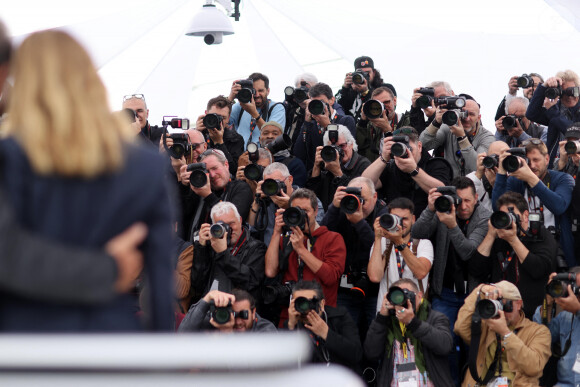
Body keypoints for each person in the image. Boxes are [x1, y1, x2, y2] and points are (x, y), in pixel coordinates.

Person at [0, 30, 174, 331]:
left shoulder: (9, 160)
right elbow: (161, 289)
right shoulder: (146, 166)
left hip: (23, 346)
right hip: (108, 343)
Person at [411, 176, 490, 385]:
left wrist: (452, 225)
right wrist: (430, 209)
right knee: (444, 345)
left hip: (473, 294)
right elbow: (417, 232)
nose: (462, 207)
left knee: (471, 345)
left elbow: (468, 252)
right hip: (445, 291)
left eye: (468, 201)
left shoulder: (484, 217)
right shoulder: (445, 208)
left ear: (476, 198)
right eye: (459, 200)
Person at [471, 191, 557, 318]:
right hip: (500, 312)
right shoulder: (500, 238)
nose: (507, 221)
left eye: (511, 215)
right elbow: (476, 270)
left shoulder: (541, 236)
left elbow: (538, 269)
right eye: (503, 216)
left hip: (533, 315)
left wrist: (513, 240)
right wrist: (490, 235)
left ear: (525, 215)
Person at [492, 139, 576, 267]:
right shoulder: (516, 181)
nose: (531, 166)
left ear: (547, 159)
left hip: (557, 247)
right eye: (527, 161)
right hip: (526, 245)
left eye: (536, 160)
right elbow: (498, 210)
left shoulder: (563, 179)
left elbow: (559, 206)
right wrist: (501, 173)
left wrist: (531, 178)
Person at [320, 177, 386, 332]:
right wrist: (334, 207)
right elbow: (322, 236)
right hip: (345, 287)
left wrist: (359, 223)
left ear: (375, 197)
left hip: (374, 289)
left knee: (375, 335)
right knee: (344, 333)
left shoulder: (382, 212)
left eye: (363, 199)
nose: (358, 204)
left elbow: (378, 247)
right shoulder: (343, 209)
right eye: (354, 198)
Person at [455, 281, 551, 387]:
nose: (502, 312)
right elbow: (460, 328)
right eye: (497, 304)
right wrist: (479, 291)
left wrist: (505, 333)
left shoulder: (538, 331)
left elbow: (534, 367)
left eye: (506, 305)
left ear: (519, 304)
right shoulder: (487, 325)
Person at [265, 188, 346, 311]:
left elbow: (330, 277)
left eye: (305, 211)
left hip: (321, 314)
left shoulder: (333, 238)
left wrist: (301, 250)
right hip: (290, 315)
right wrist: (276, 233)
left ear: (315, 211)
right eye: (297, 211)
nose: (301, 215)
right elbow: (270, 271)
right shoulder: (287, 239)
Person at [364, 279, 454, 386]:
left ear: (420, 296)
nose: (403, 300)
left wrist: (413, 323)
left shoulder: (435, 318)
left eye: (406, 294)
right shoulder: (386, 322)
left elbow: (444, 346)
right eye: (397, 297)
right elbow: (371, 353)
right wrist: (381, 317)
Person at [362, 126, 452, 216]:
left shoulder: (436, 164)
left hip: (426, 222)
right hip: (394, 223)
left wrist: (414, 171)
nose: (404, 153)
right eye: (399, 149)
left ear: (419, 146)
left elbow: (442, 191)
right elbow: (365, 184)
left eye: (409, 149)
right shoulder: (391, 166)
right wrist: (383, 158)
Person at [189, 202, 265, 303]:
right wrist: (201, 248)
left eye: (231, 223)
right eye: (222, 225)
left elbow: (250, 282)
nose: (228, 229)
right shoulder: (210, 245)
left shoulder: (256, 247)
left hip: (237, 311)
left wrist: (222, 254)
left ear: (240, 220)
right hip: (208, 308)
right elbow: (197, 284)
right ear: (213, 226)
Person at [368, 198, 433, 313]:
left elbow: (421, 272)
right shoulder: (382, 243)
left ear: (413, 219)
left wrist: (399, 242)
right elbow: (374, 277)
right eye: (396, 218)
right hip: (387, 311)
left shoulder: (423, 244)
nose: (400, 223)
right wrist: (377, 238)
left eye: (405, 219)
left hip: (415, 312)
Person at [286, 280, 362, 372]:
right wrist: (291, 327)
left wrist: (326, 334)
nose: (304, 307)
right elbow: (283, 362)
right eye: (300, 302)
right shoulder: (292, 324)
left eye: (309, 302)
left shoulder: (339, 317)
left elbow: (356, 354)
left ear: (321, 304)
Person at [178, 148, 253, 240]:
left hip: (226, 249)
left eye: (215, 168)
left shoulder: (240, 188)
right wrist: (184, 186)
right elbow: (180, 215)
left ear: (226, 165)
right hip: (196, 247)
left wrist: (208, 195)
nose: (212, 175)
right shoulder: (199, 189)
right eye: (208, 172)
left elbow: (233, 218)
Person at [248, 162, 324, 246]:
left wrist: (290, 207)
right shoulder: (266, 201)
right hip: (271, 252)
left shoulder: (308, 199)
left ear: (290, 180)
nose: (274, 188)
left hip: (298, 251)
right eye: (269, 185)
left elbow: (316, 229)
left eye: (277, 183)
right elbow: (251, 228)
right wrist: (257, 200)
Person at [420, 95, 495, 177]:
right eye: (463, 113)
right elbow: (423, 146)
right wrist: (435, 123)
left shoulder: (487, 137)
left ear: (478, 118)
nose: (466, 118)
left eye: (471, 114)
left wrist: (462, 138)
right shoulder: (448, 128)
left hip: (474, 186)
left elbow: (476, 166)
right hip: (450, 184)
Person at [305, 124, 371, 211]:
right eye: (332, 148)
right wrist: (316, 167)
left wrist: (337, 173)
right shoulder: (325, 164)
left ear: (351, 144)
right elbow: (311, 197)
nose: (337, 151)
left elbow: (356, 198)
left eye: (341, 146)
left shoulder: (363, 165)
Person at [292, 82, 356, 171]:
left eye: (321, 102)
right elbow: (298, 153)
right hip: (317, 176)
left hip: (339, 172)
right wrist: (306, 123)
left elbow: (348, 152)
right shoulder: (311, 124)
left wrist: (327, 125)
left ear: (332, 100)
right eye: (314, 102)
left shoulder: (346, 120)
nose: (318, 106)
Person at [533, 268, 580, 387]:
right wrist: (547, 303)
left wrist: (578, 310)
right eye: (574, 286)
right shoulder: (566, 316)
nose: (575, 291)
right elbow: (543, 334)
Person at [526, 70, 580, 167]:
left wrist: (553, 113)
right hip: (555, 165)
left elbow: (575, 132)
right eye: (564, 92)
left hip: (576, 165)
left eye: (573, 91)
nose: (570, 96)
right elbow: (531, 114)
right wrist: (543, 87)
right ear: (558, 93)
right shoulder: (555, 109)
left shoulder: (553, 112)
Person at [178, 289, 276, 332]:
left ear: (253, 312)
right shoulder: (220, 319)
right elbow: (183, 334)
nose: (237, 321)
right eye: (233, 314)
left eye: (243, 314)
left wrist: (227, 333)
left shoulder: (265, 330)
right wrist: (206, 299)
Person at [228, 72, 286, 146]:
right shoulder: (241, 106)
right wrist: (230, 99)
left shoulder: (277, 108)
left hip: (265, 155)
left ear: (268, 91)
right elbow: (222, 122)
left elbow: (272, 134)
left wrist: (254, 113)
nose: (257, 95)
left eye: (261, 91)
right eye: (254, 91)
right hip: (241, 156)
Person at [355, 86, 411, 162]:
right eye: (379, 104)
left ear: (394, 100)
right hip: (374, 169)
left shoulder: (406, 121)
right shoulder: (369, 124)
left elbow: (405, 151)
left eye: (386, 102)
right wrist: (362, 122)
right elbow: (358, 148)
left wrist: (387, 130)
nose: (384, 107)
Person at [335, 55, 395, 123]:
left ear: (374, 72)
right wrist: (344, 88)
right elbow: (336, 107)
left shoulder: (386, 88)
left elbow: (388, 110)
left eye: (367, 73)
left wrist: (366, 92)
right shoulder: (350, 91)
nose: (363, 76)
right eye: (360, 73)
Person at [195, 95, 244, 176]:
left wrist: (220, 143)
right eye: (214, 116)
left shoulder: (236, 139)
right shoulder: (198, 132)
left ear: (228, 118)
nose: (218, 122)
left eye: (222, 118)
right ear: (206, 114)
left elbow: (232, 171)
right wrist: (196, 134)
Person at [466, 140, 510, 212]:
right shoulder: (475, 177)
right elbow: (465, 197)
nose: (500, 162)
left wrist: (497, 184)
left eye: (503, 158)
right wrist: (479, 174)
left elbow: (508, 208)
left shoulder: (514, 178)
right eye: (496, 157)